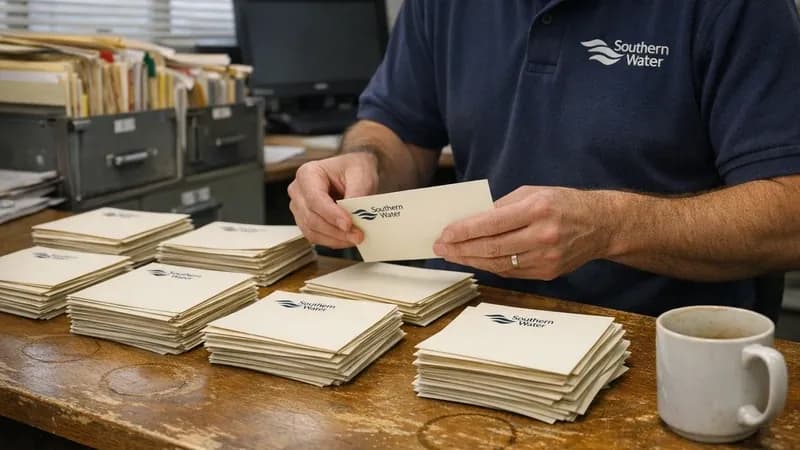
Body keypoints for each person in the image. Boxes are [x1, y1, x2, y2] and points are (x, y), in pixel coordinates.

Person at [288, 0, 800, 318]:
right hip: (469, 313)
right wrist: (364, 164)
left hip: (653, 337)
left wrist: (611, 226)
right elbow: (399, 130)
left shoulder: (740, 8)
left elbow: (790, 213)